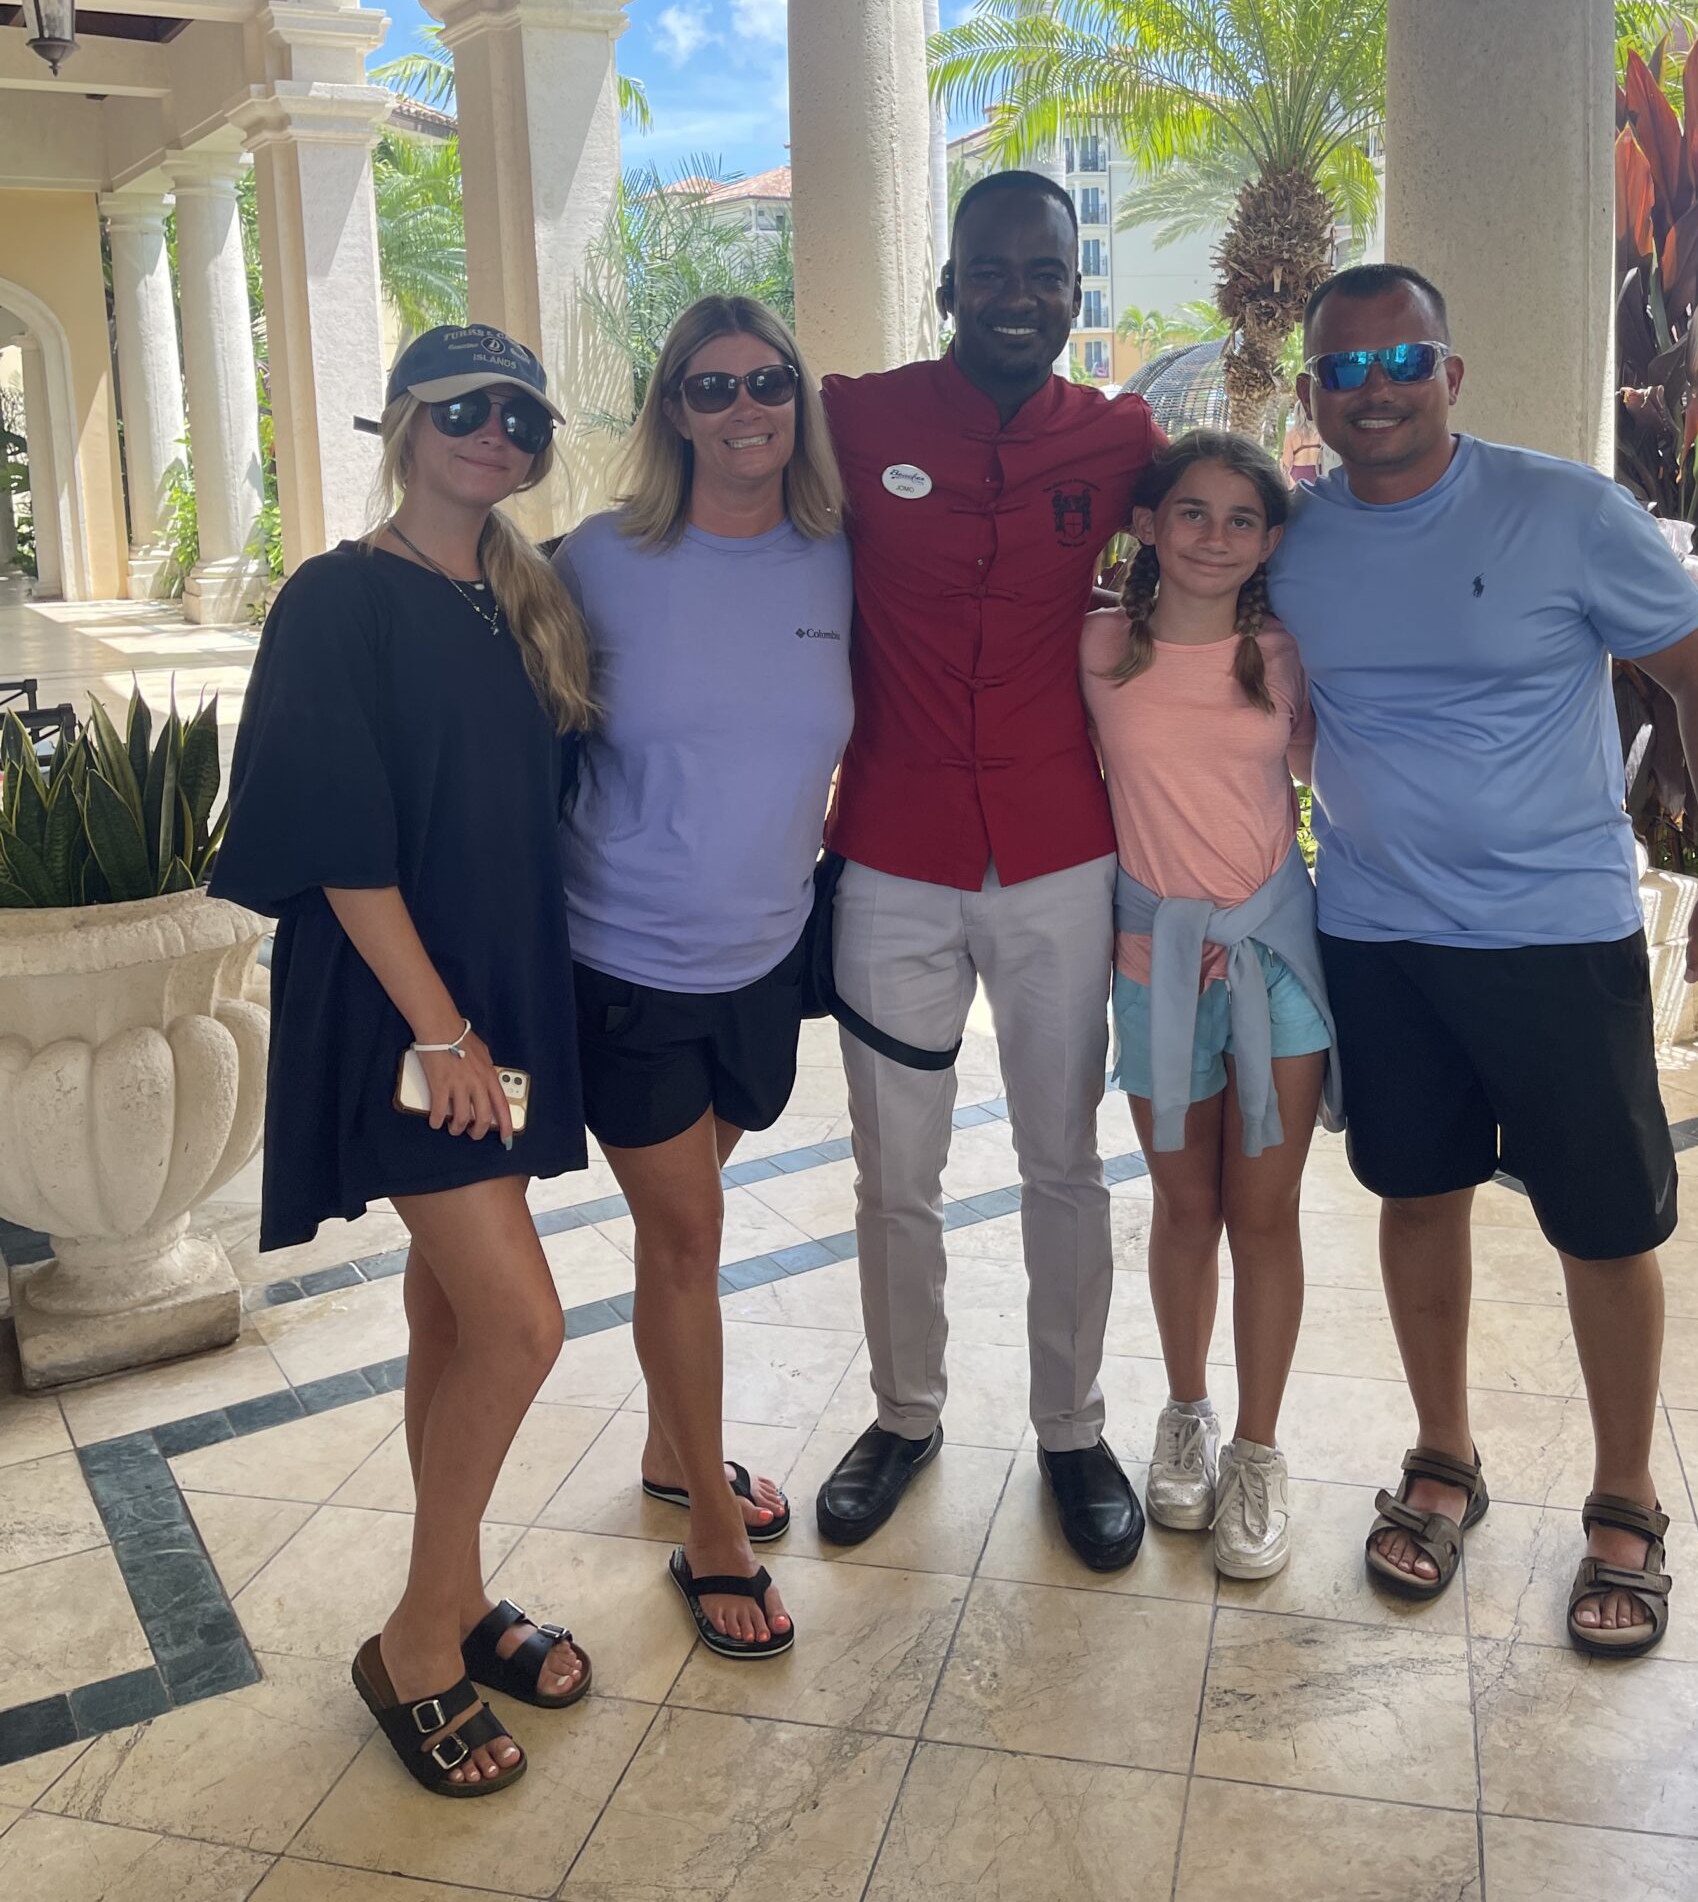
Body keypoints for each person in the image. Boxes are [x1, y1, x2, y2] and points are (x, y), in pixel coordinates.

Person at [1267, 263, 1698, 1655]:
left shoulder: (1564, 511)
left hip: (1558, 933)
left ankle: (1626, 1500)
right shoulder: (1293, 541)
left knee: (1604, 1225)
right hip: (1377, 934)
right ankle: (1443, 1458)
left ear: (1452, 373)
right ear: (1311, 393)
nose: (1377, 392)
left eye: (1404, 362)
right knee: (1416, 1193)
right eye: (1346, 371)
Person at [211, 324, 596, 1796]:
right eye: (465, 409)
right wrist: (443, 1031)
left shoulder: (524, 599)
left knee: (451, 1313)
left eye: (522, 418)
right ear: (403, 424)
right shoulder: (339, 596)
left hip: (498, 997)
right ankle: (418, 1642)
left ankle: (463, 1590)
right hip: (405, 1014)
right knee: (522, 1325)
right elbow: (339, 841)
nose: (497, 434)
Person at [812, 169, 1159, 1570]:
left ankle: (1073, 1430)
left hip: (1059, 856)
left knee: (1063, 1160)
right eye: (994, 272)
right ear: (949, 285)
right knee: (893, 1168)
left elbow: (1239, 531)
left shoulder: (1121, 437)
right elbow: (722, 484)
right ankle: (905, 1413)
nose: (1020, 296)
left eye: (1047, 274)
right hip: (891, 855)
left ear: (1077, 290)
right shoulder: (856, 417)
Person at [555, 297, 851, 1660]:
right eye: (713, 386)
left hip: (766, 954)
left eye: (769, 382)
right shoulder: (599, 560)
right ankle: (712, 1533)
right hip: (622, 955)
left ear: (798, 399)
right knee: (685, 1236)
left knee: (691, 1218)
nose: (746, 408)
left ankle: (676, 1451)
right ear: (672, 408)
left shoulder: (838, 559)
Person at [1080, 430, 1335, 1579]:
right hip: (1156, 965)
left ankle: (1259, 1447)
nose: (1214, 536)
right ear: (1148, 524)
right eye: (1191, 511)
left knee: (1264, 1211)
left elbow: (1339, 773)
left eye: (1241, 518)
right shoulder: (1097, 649)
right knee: (1185, 1207)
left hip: (1274, 956)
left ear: (1270, 541)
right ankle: (1184, 1411)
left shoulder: (1282, 655)